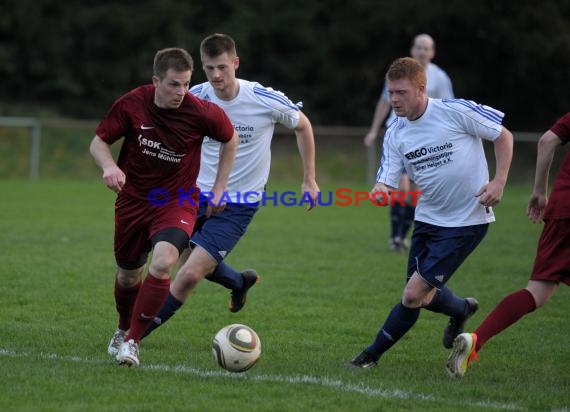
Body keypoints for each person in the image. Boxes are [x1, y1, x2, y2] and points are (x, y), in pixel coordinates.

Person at [141, 33, 319, 339]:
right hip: (192, 194)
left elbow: (303, 125)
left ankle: (133, 337)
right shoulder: (195, 96)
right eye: (209, 68)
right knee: (171, 262)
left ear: (235, 63)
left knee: (189, 274)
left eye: (222, 67)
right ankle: (238, 282)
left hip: (240, 202)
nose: (216, 75)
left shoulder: (263, 98)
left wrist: (309, 178)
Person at [347, 57, 513, 369]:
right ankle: (461, 309)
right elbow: (387, 176)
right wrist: (381, 188)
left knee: (412, 294)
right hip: (426, 218)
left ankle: (370, 356)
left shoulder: (454, 110)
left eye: (401, 93)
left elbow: (503, 135)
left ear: (421, 89)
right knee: (421, 293)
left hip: (467, 220)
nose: (394, 100)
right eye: (390, 93)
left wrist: (499, 181)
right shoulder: (395, 131)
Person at [89, 47, 238, 367]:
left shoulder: (200, 111)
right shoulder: (131, 104)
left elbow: (231, 138)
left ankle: (132, 342)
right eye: (173, 84)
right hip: (133, 201)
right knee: (129, 276)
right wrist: (108, 167)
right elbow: (99, 141)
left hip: (177, 201)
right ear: (156, 81)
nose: (181, 92)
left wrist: (220, 187)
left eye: (186, 84)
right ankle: (122, 328)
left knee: (163, 263)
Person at [446, 112, 570, 378]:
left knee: (538, 291)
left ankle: (476, 340)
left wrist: (539, 191)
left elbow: (547, 140)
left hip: (562, 209)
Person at [363, 34, 454, 252]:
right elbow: (385, 103)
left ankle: (404, 237)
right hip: (400, 138)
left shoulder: (440, 77)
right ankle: (395, 237)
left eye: (426, 48)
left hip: (424, 140)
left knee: (415, 193)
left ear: (432, 52)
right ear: (413, 50)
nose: (422, 51)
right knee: (400, 188)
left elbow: (448, 106)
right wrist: (374, 130)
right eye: (419, 47)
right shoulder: (400, 75)